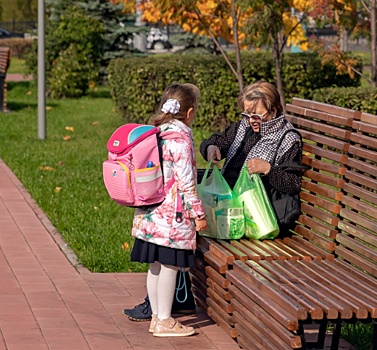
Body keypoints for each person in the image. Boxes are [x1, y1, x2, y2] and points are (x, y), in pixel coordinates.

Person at [130, 83, 208, 337]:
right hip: (172, 218)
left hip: (149, 213)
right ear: (189, 112)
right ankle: (164, 320)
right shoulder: (181, 140)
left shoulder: (156, 132)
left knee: (154, 266)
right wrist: (199, 215)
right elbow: (186, 183)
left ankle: (155, 316)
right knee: (170, 267)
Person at [199, 81, 303, 236]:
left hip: (250, 213)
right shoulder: (244, 127)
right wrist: (210, 148)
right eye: (247, 115)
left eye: (256, 115)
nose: (251, 120)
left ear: (273, 110)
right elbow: (218, 140)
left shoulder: (288, 139)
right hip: (226, 201)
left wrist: (268, 169)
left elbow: (293, 184)